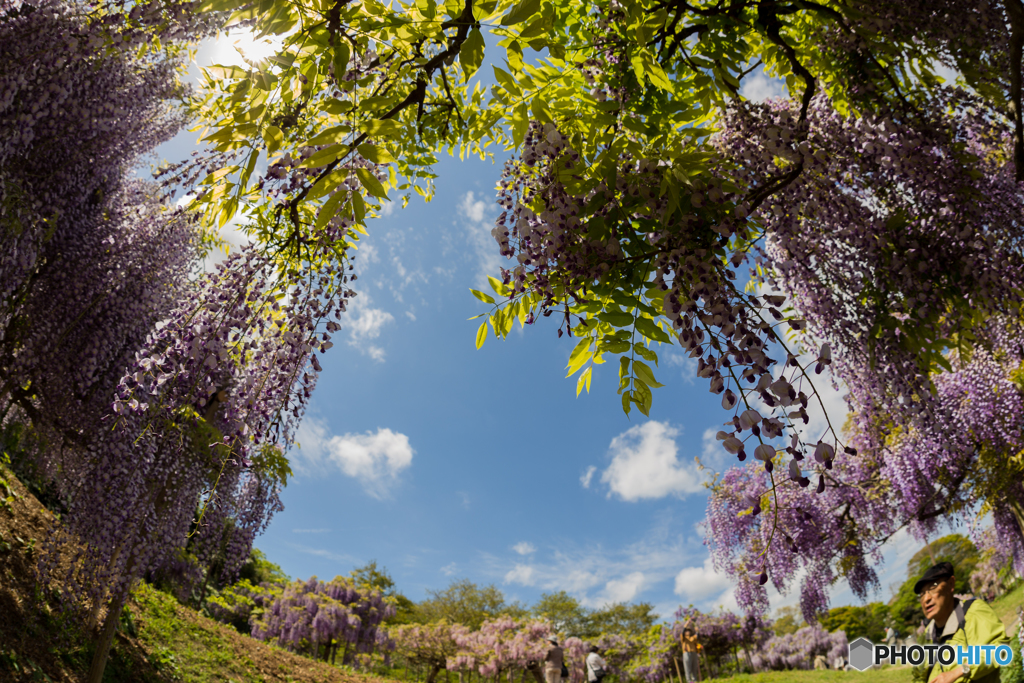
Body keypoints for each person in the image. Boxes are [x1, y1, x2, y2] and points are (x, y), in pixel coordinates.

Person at [917, 561, 1010, 683]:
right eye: (922, 594)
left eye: (933, 587)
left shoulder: (973, 612)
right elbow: (918, 677)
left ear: (951, 584)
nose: (926, 598)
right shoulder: (926, 636)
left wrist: (959, 671)